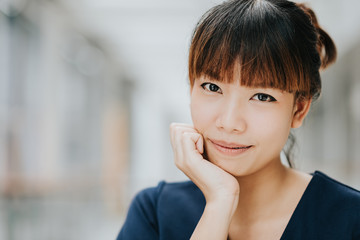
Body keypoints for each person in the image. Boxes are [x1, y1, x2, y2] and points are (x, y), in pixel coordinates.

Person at [117, 0, 360, 239]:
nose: (230, 122)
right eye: (212, 87)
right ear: (191, 88)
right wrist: (219, 203)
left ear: (299, 109)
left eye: (262, 96)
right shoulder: (154, 214)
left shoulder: (350, 219)